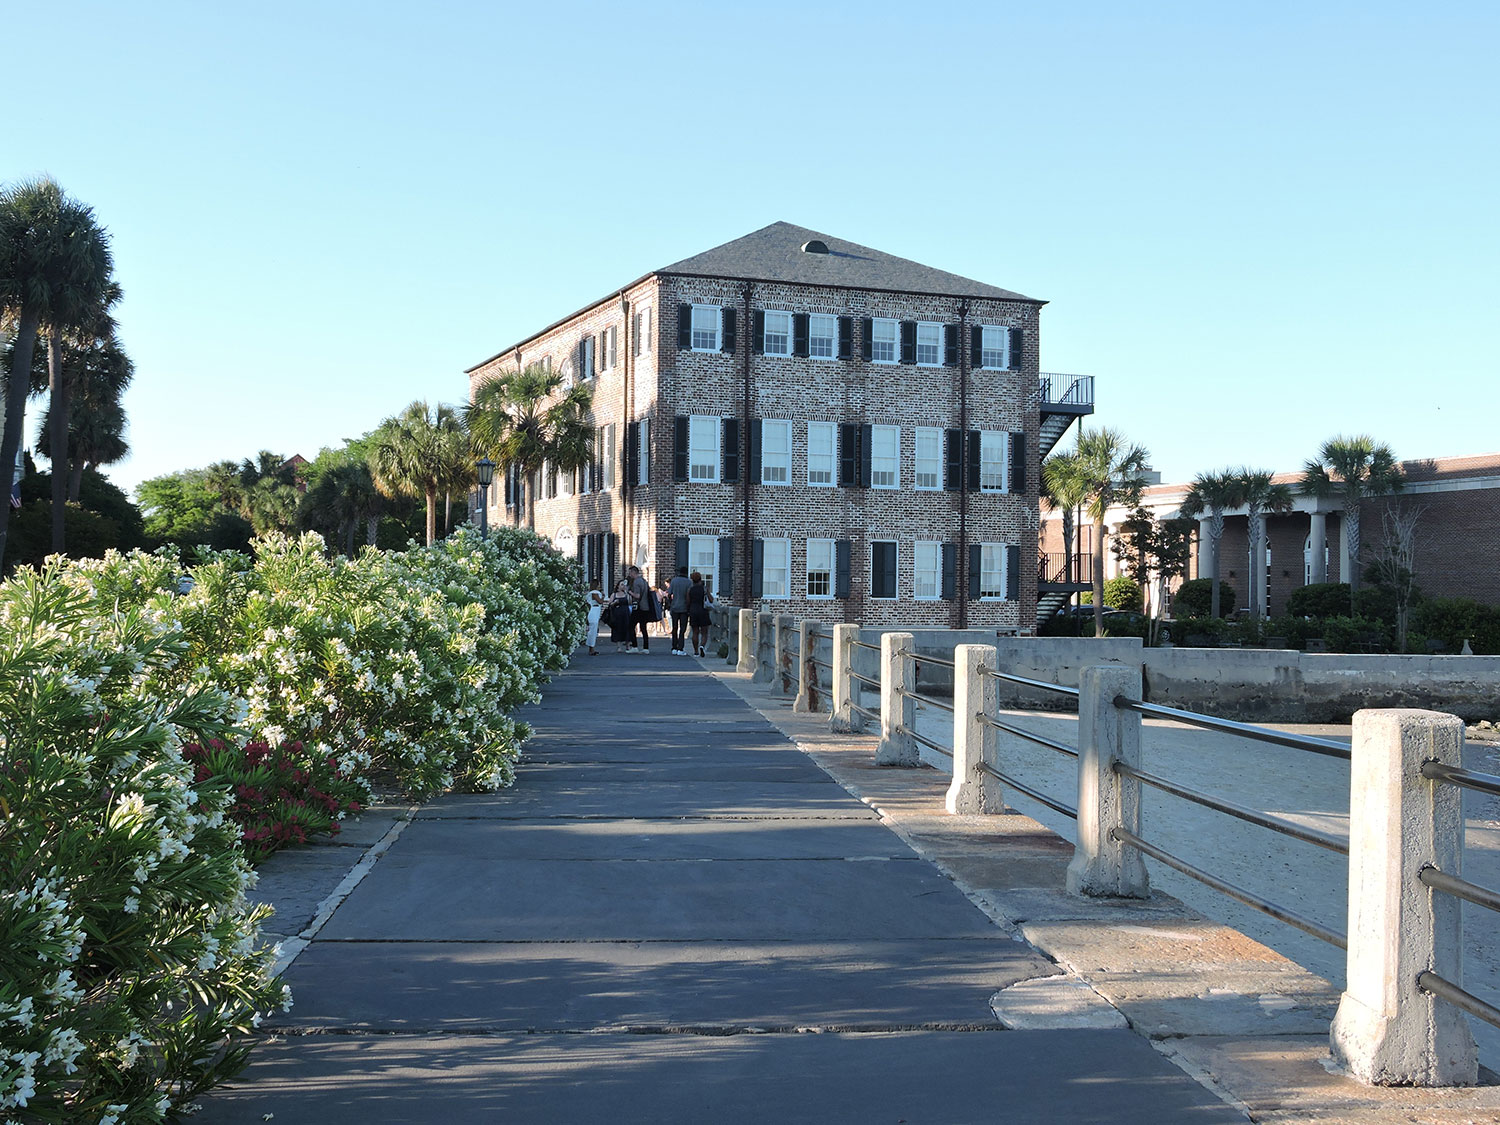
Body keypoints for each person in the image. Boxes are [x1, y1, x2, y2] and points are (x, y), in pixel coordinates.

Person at [626, 565, 652, 652]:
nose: (629, 574)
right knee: (643, 628)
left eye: (630, 572)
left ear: (634, 572)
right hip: (645, 607)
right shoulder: (644, 581)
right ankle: (646, 647)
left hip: (638, 607)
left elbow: (637, 595)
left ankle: (634, 646)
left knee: (631, 626)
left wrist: (629, 591)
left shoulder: (636, 582)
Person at [687, 571, 713, 657]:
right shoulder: (704, 588)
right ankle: (702, 646)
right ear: (700, 579)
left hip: (693, 611)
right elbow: (711, 599)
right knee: (704, 632)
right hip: (703, 611)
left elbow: (688, 601)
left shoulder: (690, 589)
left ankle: (696, 651)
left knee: (695, 632)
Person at [668, 565, 693, 655]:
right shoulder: (689, 582)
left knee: (674, 628)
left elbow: (669, 593)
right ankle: (680, 648)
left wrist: (671, 603)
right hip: (684, 608)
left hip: (674, 607)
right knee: (682, 629)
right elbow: (689, 595)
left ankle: (674, 647)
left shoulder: (674, 581)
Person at [606, 580, 633, 653]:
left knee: (627, 628)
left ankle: (628, 645)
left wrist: (627, 593)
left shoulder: (626, 594)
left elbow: (630, 602)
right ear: (618, 586)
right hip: (617, 614)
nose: (623, 586)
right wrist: (614, 603)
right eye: (621, 585)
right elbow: (610, 604)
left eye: (624, 585)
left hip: (625, 613)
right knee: (617, 629)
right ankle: (619, 646)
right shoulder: (614, 595)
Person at [584, 589, 604, 655]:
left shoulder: (590, 593)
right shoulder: (594, 593)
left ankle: (591, 647)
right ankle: (591, 648)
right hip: (594, 611)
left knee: (593, 630)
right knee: (593, 630)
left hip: (595, 611)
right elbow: (600, 601)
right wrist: (603, 596)